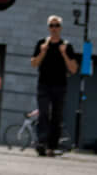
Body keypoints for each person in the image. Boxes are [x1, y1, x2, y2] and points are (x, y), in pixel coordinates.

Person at [31, 17, 79, 154]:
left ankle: (52, 146)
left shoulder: (67, 45)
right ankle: (41, 142)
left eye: (57, 25)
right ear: (48, 27)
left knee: (56, 116)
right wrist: (42, 52)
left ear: (61, 28)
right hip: (44, 84)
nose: (54, 28)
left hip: (60, 85)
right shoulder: (42, 43)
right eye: (51, 25)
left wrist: (64, 54)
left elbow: (74, 69)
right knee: (44, 113)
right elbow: (34, 63)